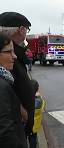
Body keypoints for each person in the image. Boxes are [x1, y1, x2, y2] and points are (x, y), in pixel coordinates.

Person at [0, 12, 35, 140]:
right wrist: (22, 112)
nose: (13, 55)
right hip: (15, 129)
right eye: (27, 29)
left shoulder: (15, 52)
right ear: (21, 30)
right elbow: (7, 90)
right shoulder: (7, 56)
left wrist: (32, 86)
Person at [0, 33, 27, 148]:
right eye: (8, 52)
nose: (14, 56)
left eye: (14, 51)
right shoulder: (1, 86)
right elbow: (5, 133)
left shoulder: (6, 78)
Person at [28, 79, 45, 148]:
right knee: (33, 140)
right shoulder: (40, 100)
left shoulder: (27, 99)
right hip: (35, 126)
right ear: (37, 89)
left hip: (27, 124)